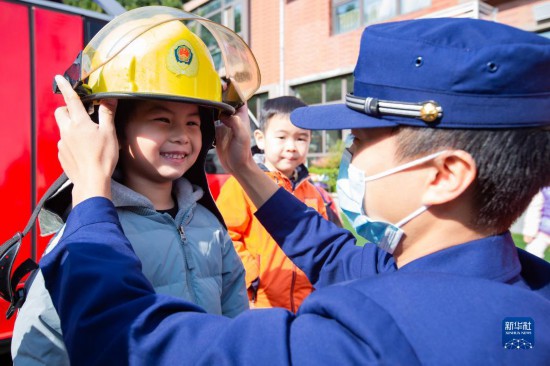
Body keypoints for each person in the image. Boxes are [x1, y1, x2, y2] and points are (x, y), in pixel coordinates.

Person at [42, 17, 550, 365]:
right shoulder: (521, 287)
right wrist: (243, 166)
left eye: (361, 140)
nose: (349, 156)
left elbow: (130, 341)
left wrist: (90, 191)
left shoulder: (369, 338)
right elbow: (334, 255)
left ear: (444, 175)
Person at [11, 9, 251, 365]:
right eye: (161, 119)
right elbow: (43, 343)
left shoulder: (209, 226)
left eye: (192, 122)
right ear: (115, 129)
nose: (181, 135)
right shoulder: (88, 234)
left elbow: (237, 323)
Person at [216, 96, 328, 312]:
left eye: (301, 139)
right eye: (282, 137)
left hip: (306, 304)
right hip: (259, 302)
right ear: (260, 139)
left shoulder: (313, 193)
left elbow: (321, 244)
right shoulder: (242, 185)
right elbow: (224, 234)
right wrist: (252, 277)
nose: (291, 147)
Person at [522, 187, 550, 259]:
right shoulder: (545, 189)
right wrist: (530, 231)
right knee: (532, 253)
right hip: (544, 232)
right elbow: (534, 209)